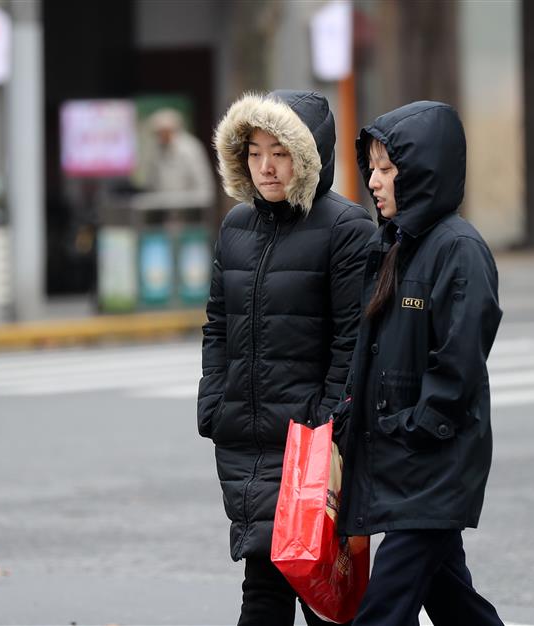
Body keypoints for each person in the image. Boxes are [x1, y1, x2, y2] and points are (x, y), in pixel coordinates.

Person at [198, 90, 374, 625]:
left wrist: (325, 423)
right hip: (246, 438)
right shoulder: (236, 228)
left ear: (309, 154)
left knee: (306, 589)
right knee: (271, 578)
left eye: (280, 151)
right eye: (254, 152)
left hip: (307, 446)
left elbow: (353, 338)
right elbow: (218, 325)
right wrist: (213, 401)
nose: (266, 167)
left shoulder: (346, 229)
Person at [332, 101, 505, 626]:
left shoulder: (458, 249)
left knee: (383, 610)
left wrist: (417, 426)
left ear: (423, 171)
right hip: (407, 461)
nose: (374, 180)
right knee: (454, 602)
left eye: (388, 169)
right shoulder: (395, 246)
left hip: (431, 461)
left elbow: (459, 362)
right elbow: (373, 352)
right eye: (373, 168)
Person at [132, 107, 216, 213]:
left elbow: (204, 188)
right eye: (157, 133)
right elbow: (148, 183)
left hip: (190, 211)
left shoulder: (190, 148)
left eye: (162, 132)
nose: (159, 136)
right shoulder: (155, 150)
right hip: (162, 212)